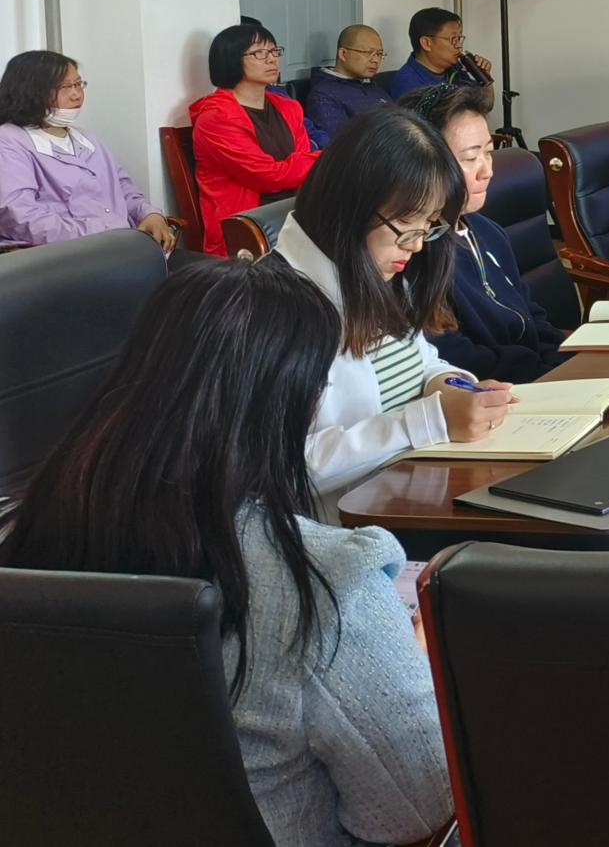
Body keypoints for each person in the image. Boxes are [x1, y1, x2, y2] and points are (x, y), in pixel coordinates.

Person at [0, 257, 452, 846]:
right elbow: (423, 806)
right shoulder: (326, 586)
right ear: (289, 402)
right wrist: (414, 653)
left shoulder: (30, 531)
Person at [269, 107, 513, 511]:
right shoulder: (277, 309)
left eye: (429, 226)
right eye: (407, 225)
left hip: (415, 495)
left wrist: (452, 387)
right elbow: (283, 469)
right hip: (345, 527)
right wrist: (428, 421)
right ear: (352, 205)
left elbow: (422, 361)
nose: (416, 245)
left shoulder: (376, 269)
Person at [407, 82, 567, 381]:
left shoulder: (487, 230)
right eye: (470, 158)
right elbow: (453, 355)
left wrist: (563, 363)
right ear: (423, 163)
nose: (487, 170)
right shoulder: (412, 251)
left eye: (489, 153)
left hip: (541, 379)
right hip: (494, 392)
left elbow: (531, 313)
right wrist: (541, 372)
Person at [0, 49, 176, 251]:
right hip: (65, 254)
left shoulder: (87, 139)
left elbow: (124, 190)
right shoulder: (9, 141)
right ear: (31, 91)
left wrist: (150, 214)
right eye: (65, 87)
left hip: (118, 246)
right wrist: (107, 232)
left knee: (201, 267)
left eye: (78, 84)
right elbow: (19, 216)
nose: (76, 95)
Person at [191, 22, 319, 257]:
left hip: (293, 215)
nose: (272, 59)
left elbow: (303, 164)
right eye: (259, 53)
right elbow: (268, 176)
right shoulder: (215, 118)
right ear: (231, 60)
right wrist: (324, 158)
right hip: (245, 230)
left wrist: (310, 163)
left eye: (274, 51)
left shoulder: (289, 107)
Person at [301, 25, 390, 149]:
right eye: (368, 53)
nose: (375, 60)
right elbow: (341, 146)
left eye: (379, 54)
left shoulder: (370, 85)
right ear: (343, 54)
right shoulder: (324, 95)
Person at [387, 6, 494, 105]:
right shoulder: (408, 82)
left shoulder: (457, 69)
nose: (459, 45)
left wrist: (484, 79)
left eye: (459, 38)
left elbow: (485, 105)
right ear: (426, 43)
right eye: (453, 39)